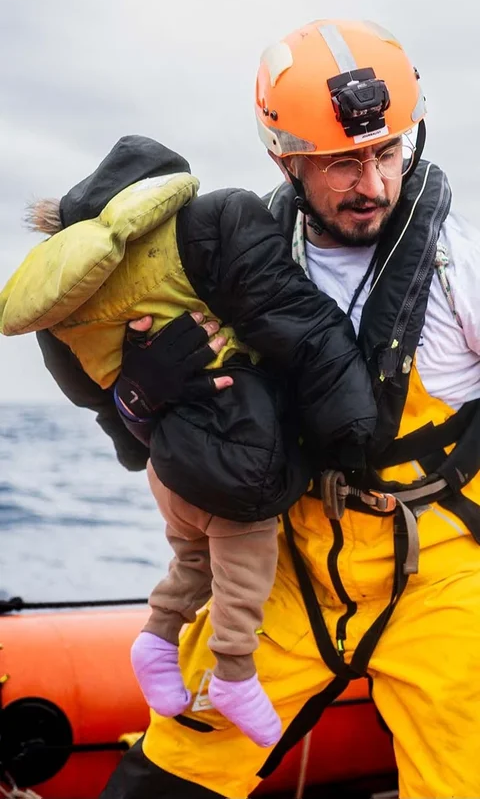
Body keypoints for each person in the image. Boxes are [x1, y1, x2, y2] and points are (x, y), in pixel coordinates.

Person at [18, 18, 480, 798]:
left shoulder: (457, 268)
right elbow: (149, 438)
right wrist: (144, 397)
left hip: (440, 578)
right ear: (285, 157)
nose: (370, 184)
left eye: (387, 152)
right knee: (164, 778)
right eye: (341, 162)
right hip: (286, 570)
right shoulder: (223, 263)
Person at [0, 133, 376, 746]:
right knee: (245, 563)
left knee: (193, 559)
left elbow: (90, 396)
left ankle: (154, 640)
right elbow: (301, 326)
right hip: (230, 446)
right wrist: (355, 433)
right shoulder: (213, 222)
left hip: (165, 465)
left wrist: (139, 413)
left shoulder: (60, 296)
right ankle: (232, 670)